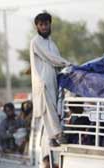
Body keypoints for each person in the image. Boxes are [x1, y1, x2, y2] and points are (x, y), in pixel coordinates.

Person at [30, 12, 71, 147]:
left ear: (49, 24)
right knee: (49, 109)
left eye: (46, 24)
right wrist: (67, 63)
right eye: (41, 25)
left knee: (52, 108)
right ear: (37, 26)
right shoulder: (35, 41)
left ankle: (51, 138)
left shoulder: (52, 43)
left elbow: (56, 60)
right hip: (43, 81)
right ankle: (58, 134)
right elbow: (50, 57)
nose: (44, 27)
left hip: (53, 80)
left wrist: (66, 69)